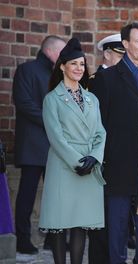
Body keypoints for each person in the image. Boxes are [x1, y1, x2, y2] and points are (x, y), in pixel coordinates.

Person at [90, 22, 138, 264]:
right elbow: (99, 124)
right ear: (125, 44)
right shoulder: (107, 78)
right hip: (118, 166)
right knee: (118, 229)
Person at [38, 38, 106, 264]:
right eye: (74, 64)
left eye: (82, 64)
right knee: (59, 224)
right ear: (62, 66)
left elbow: (100, 133)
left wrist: (94, 158)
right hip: (64, 166)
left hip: (88, 166)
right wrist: (78, 162)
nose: (79, 68)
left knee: (80, 225)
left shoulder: (92, 99)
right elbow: (55, 137)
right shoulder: (52, 99)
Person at [12, 35, 66, 254]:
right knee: (27, 194)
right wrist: (53, 120)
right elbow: (24, 104)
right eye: (61, 52)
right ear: (51, 51)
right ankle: (22, 240)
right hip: (33, 144)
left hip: (54, 145)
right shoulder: (27, 70)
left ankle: (54, 240)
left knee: (56, 195)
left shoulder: (59, 75)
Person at [87, 32, 125, 264]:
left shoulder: (123, 80)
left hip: (119, 156)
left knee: (116, 220)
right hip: (103, 157)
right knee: (100, 220)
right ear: (108, 54)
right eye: (120, 56)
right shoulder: (97, 80)